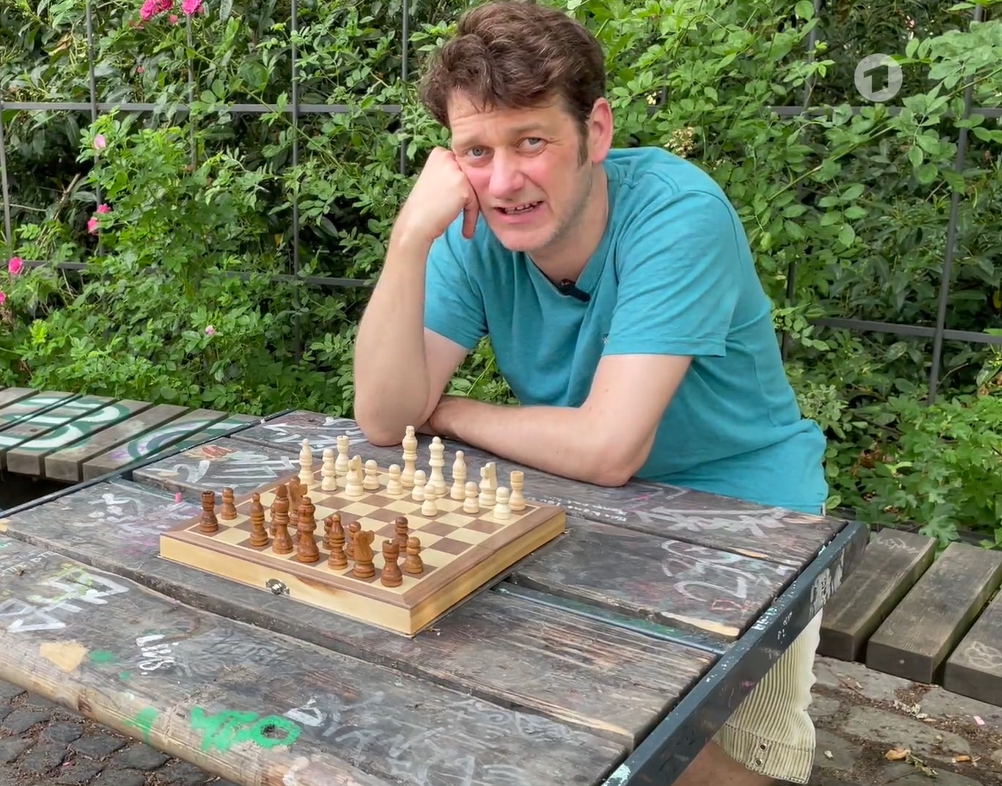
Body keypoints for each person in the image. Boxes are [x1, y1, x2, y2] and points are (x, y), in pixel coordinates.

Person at [351, 2, 830, 785]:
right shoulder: (473, 230)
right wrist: (410, 240)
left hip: (745, 517)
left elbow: (609, 448)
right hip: (578, 506)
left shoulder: (678, 215)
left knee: (696, 759)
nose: (504, 181)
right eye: (476, 151)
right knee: (497, 706)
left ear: (595, 132)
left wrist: (451, 413)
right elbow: (382, 415)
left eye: (531, 141)